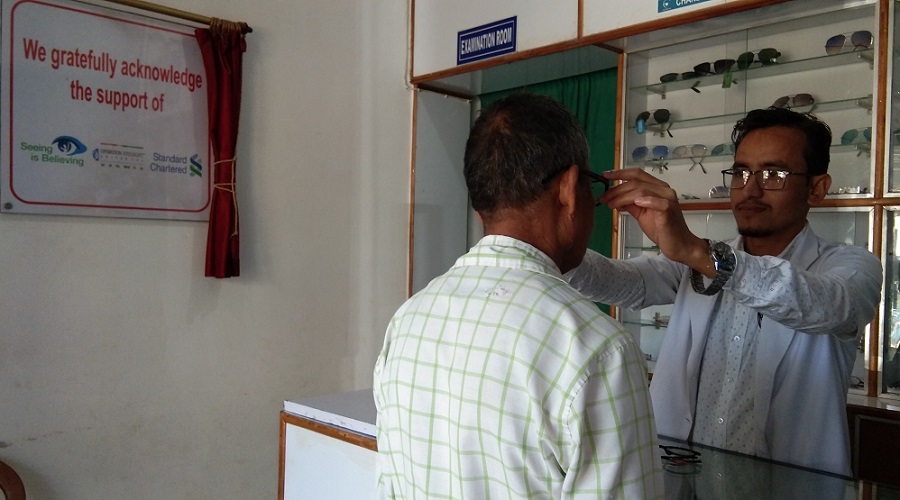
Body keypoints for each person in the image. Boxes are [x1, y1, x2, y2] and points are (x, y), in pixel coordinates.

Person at [373, 93, 664, 499]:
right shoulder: (599, 351)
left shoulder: (408, 322)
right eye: (591, 187)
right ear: (567, 189)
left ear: (481, 206)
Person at [566, 106, 883, 476]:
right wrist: (550, 240)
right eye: (741, 172)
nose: (750, 188)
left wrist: (697, 252)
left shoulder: (852, 266)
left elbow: (830, 305)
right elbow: (621, 281)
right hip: (683, 481)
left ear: (817, 188)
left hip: (789, 487)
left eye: (774, 173)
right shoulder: (698, 260)